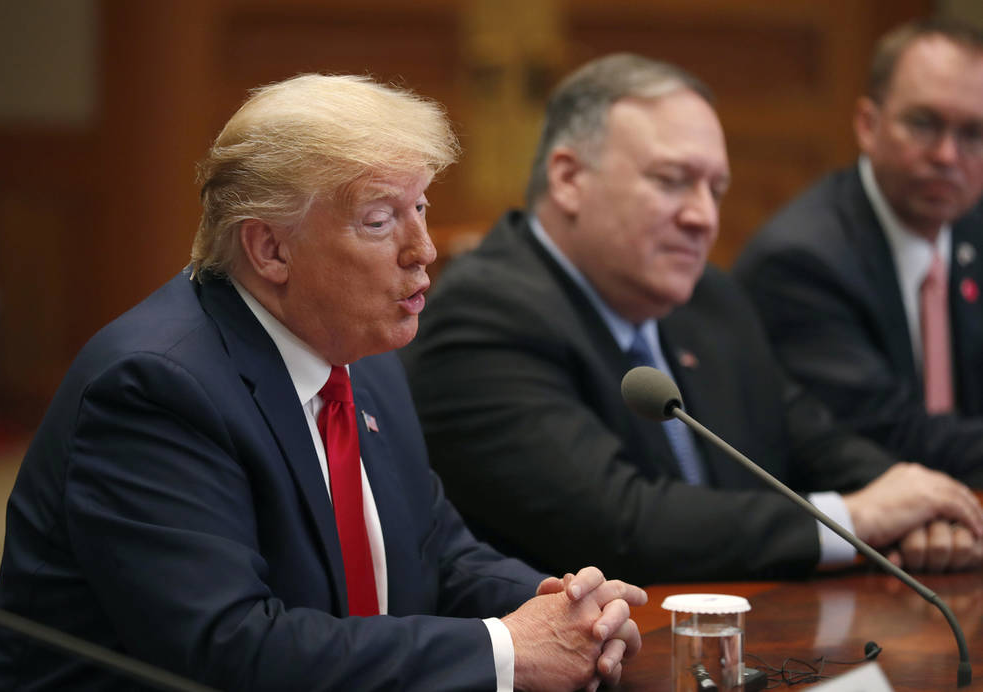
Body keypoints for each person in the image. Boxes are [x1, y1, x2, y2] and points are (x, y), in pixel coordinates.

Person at [0, 74, 647, 692]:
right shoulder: (155, 390)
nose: (424, 249)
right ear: (269, 249)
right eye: (381, 220)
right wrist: (505, 651)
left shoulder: (365, 355)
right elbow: (233, 649)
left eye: (421, 205)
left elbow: (435, 551)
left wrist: (560, 609)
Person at [402, 53, 983, 586]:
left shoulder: (709, 298)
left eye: (716, 189)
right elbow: (619, 525)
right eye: (672, 181)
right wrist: (858, 517)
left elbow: (812, 439)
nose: (704, 217)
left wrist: (921, 507)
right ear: (569, 178)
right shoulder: (483, 318)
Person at [735, 18, 983, 488]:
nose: (949, 156)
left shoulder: (972, 228)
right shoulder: (802, 261)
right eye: (924, 124)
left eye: (973, 133)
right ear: (868, 125)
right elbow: (891, 435)